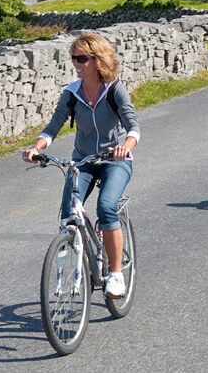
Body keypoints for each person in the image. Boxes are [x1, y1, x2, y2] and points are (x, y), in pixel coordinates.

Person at [22, 32, 140, 299]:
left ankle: (117, 275)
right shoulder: (72, 93)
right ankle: (81, 253)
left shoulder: (114, 90)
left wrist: (126, 147)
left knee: (107, 207)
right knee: (67, 215)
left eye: (81, 58)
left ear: (97, 60)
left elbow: (133, 126)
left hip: (114, 160)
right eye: (73, 57)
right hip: (83, 162)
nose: (75, 63)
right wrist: (36, 148)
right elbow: (53, 127)